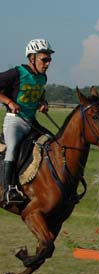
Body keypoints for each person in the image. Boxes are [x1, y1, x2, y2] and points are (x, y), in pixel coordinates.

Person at [0, 38, 54, 204]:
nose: (47, 63)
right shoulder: (17, 73)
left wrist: (42, 104)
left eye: (49, 59)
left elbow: (38, 97)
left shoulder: (42, 78)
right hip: (14, 122)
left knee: (53, 143)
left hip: (31, 121)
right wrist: (9, 102)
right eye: (44, 59)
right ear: (32, 58)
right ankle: (9, 190)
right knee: (13, 148)